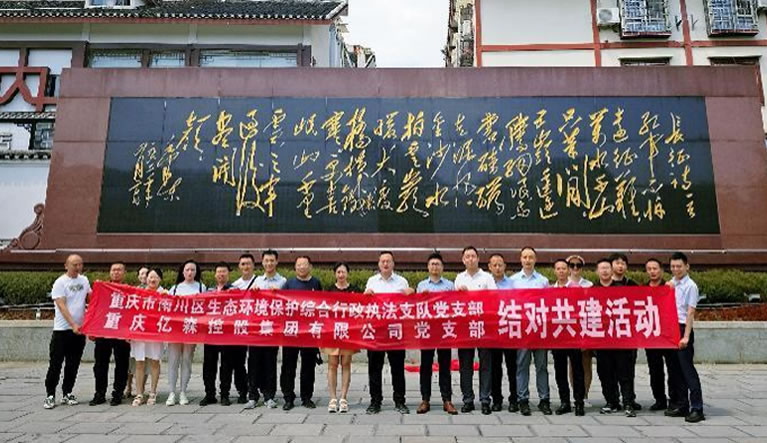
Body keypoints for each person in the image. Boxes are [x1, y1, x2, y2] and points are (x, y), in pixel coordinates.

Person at [365, 251, 414, 415]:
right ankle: (375, 401)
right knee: (374, 368)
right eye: (383, 261)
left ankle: (400, 401)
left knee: (397, 368)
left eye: (388, 261)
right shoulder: (372, 281)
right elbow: (365, 306)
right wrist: (366, 296)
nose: (385, 264)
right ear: (379, 264)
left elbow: (408, 306)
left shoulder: (402, 281)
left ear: (393, 264)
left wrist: (411, 293)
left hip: (395, 331)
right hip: (376, 332)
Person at [44, 254, 91, 409]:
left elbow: (90, 298)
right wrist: (73, 324)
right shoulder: (60, 282)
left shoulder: (84, 280)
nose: (78, 267)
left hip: (79, 331)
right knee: (56, 363)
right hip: (62, 330)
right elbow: (62, 306)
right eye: (74, 264)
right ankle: (50, 395)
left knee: (73, 364)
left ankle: (67, 392)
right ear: (66, 265)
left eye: (80, 264)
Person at [454, 246, 496, 415]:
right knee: (465, 366)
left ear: (478, 259)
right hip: (465, 328)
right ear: (463, 260)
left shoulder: (487, 278)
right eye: (467, 256)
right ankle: (468, 400)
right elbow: (454, 304)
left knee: (486, 365)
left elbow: (494, 299)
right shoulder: (459, 278)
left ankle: (485, 399)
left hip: (484, 326)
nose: (470, 259)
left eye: (473, 256)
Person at [242, 250, 286, 409]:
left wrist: (278, 294)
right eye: (266, 261)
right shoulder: (257, 281)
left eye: (272, 260)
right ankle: (253, 395)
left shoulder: (283, 282)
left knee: (270, 362)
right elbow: (245, 304)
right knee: (253, 362)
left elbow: (288, 303)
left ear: (277, 262)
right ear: (262, 262)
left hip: (272, 329)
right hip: (256, 329)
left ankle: (269, 396)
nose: (269, 263)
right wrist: (252, 294)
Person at [415, 252, 457, 415]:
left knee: (445, 365)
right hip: (427, 329)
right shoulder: (421, 286)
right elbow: (416, 307)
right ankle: (425, 399)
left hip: (444, 329)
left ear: (442, 267)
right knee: (426, 365)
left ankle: (447, 399)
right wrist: (422, 298)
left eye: (437, 264)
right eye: (432, 264)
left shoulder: (449, 285)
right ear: (428, 267)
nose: (435, 267)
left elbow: (455, 305)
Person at [511, 246, 551, 416]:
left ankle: (544, 399)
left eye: (531, 257)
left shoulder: (543, 281)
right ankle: (523, 399)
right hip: (522, 330)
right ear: (521, 259)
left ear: (535, 260)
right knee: (522, 365)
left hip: (539, 329)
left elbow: (549, 304)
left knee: (541, 366)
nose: (528, 260)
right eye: (525, 257)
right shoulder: (513, 281)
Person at [200, 262, 248, 406]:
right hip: (211, 332)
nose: (221, 274)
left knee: (226, 365)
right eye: (219, 272)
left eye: (224, 272)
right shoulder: (209, 291)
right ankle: (209, 394)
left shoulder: (235, 291)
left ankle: (224, 394)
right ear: (215, 275)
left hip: (227, 334)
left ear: (228, 274)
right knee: (209, 365)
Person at [281, 256, 322, 410]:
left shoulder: (316, 283)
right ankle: (288, 397)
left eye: (304, 264)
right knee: (288, 366)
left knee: (308, 366)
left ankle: (307, 397)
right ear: (295, 267)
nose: (302, 267)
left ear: (310, 266)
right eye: (299, 265)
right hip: (291, 331)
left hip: (309, 332)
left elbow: (321, 305)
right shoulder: (289, 284)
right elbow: (281, 305)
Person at [667, 252, 705, 423]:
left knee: (687, 370)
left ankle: (697, 408)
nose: (676, 269)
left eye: (679, 266)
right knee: (675, 370)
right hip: (671, 328)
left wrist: (686, 336)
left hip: (683, 329)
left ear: (687, 266)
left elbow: (690, 313)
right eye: (673, 266)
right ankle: (682, 405)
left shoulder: (691, 286)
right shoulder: (672, 283)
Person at [89, 262, 131, 407]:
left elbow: (132, 312)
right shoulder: (102, 289)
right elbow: (93, 308)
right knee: (100, 364)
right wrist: (91, 329)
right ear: (110, 272)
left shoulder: (129, 291)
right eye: (113, 270)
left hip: (121, 332)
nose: (116, 272)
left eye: (119, 270)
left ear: (124, 273)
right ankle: (99, 393)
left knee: (122, 364)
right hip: (103, 331)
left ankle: (118, 393)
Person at [643, 258, 682, 413]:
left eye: (655, 268)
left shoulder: (669, 287)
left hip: (668, 335)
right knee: (655, 369)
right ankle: (659, 399)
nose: (652, 271)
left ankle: (674, 399)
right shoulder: (642, 289)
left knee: (672, 368)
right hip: (651, 335)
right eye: (649, 269)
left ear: (661, 270)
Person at [165, 260, 205, 406]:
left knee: (187, 360)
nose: (190, 272)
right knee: (173, 360)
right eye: (187, 269)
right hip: (175, 329)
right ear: (182, 272)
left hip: (191, 328)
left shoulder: (201, 287)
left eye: (193, 270)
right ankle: (171, 392)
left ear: (196, 272)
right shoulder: (175, 288)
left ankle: (183, 391)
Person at [322, 262, 360, 414]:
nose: (341, 275)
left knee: (346, 363)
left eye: (343, 272)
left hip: (348, 332)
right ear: (335, 274)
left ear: (347, 273)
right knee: (332, 364)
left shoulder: (354, 290)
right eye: (338, 272)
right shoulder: (329, 291)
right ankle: (332, 398)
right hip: (332, 331)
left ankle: (343, 397)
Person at [550, 259, 585, 416]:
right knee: (560, 371)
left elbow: (583, 311)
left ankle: (579, 402)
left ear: (568, 270)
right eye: (558, 268)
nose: (561, 271)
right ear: (555, 271)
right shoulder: (550, 290)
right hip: (557, 336)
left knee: (577, 370)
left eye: (564, 268)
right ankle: (565, 402)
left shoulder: (577, 288)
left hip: (573, 335)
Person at [487, 253, 518, 413]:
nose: (498, 268)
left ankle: (514, 399)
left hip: (509, 330)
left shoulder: (513, 284)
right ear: (489, 267)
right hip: (493, 331)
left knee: (512, 367)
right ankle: (497, 399)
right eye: (494, 265)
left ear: (505, 266)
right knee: (495, 367)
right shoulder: (485, 283)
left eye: (500, 265)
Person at [131, 268, 165, 406]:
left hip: (156, 333)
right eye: (150, 277)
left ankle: (153, 392)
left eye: (155, 277)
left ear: (160, 279)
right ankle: (139, 393)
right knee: (139, 362)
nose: (152, 279)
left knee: (155, 362)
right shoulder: (138, 293)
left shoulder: (164, 294)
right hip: (139, 332)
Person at [564, 255, 594, 407]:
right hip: (568, 327)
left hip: (585, 327)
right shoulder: (562, 284)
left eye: (578, 265)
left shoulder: (589, 285)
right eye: (572, 265)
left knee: (586, 362)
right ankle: (575, 394)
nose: (575, 268)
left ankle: (585, 394)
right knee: (572, 363)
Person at [125, 265, 150, 399]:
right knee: (132, 361)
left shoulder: (156, 291)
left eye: (146, 273)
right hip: (135, 329)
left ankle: (141, 387)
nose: (144, 276)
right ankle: (128, 386)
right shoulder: (133, 291)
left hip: (148, 331)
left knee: (145, 361)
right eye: (141, 274)